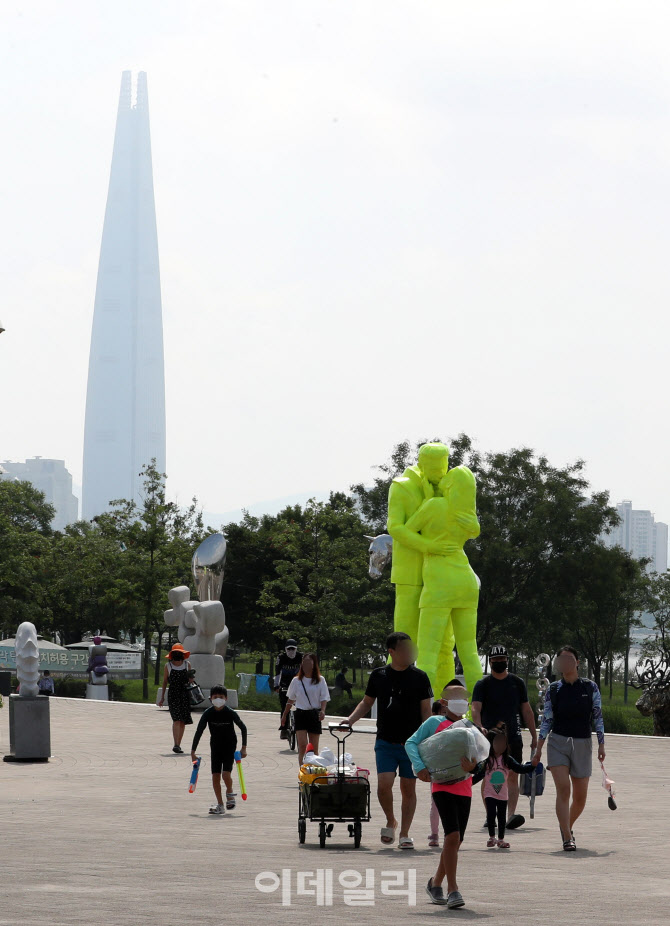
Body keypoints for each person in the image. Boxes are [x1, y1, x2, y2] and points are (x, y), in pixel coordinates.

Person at [342, 631, 432, 850]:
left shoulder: (420, 677)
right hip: (385, 741)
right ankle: (391, 821)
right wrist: (350, 720)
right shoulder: (378, 675)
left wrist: (428, 740)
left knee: (408, 788)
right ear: (392, 652)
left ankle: (404, 833)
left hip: (412, 744)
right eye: (404, 649)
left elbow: (426, 711)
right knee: (384, 785)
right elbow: (366, 702)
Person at [402, 465, 483, 697]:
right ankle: (476, 707)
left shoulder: (435, 506)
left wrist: (430, 545)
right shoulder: (469, 518)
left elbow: (407, 532)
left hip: (439, 584)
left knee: (427, 652)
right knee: (469, 652)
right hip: (466, 582)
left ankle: (422, 707)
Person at [405, 679, 482, 909]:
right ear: (444, 702)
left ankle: (435, 883)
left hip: (464, 788)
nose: (461, 704)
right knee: (452, 836)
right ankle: (453, 889)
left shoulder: (470, 727)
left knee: (455, 841)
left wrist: (473, 768)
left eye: (463, 699)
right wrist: (419, 767)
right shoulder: (433, 722)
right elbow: (411, 743)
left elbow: (480, 759)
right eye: (455, 699)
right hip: (442, 786)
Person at [532, 645, 605, 851]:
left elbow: (598, 717)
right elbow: (546, 720)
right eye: (561, 659)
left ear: (577, 663)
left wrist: (601, 743)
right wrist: (539, 748)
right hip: (558, 743)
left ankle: (567, 826)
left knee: (580, 798)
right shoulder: (553, 689)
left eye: (569, 659)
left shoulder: (590, 687)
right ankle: (566, 836)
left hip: (583, 742)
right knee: (563, 789)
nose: (564, 663)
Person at [471, 644, 537, 829]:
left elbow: (526, 710)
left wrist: (534, 735)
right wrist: (479, 726)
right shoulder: (483, 685)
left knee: (512, 776)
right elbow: (475, 707)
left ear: (507, 660)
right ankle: (490, 814)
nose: (499, 662)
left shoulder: (517, 683)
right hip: (489, 738)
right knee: (489, 774)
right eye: (495, 660)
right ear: (489, 661)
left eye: (503, 659)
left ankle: (510, 815)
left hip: (513, 736)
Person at [473, 724, 534, 848]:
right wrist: (465, 783)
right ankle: (491, 837)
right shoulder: (487, 761)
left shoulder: (507, 760)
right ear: (490, 744)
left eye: (503, 743)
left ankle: (500, 839)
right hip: (489, 794)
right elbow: (478, 775)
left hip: (503, 795)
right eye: (497, 743)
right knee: (491, 816)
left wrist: (533, 765)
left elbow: (520, 769)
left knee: (501, 817)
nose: (501, 746)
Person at [190, 685, 247, 815]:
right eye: (215, 697)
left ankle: (230, 792)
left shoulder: (230, 712)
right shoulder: (208, 713)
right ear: (210, 699)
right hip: (215, 746)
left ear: (226, 698)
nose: (218, 700)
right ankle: (220, 804)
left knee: (226, 774)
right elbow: (199, 731)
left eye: (221, 697)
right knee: (215, 776)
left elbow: (243, 728)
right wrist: (193, 751)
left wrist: (243, 748)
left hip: (229, 745)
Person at [281, 653, 330, 764]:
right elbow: (291, 700)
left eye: (309, 662)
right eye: (304, 662)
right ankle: (302, 771)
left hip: (314, 714)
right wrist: (284, 715)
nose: (306, 664)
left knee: (313, 748)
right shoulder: (296, 681)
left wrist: (322, 711)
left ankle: (313, 771)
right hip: (300, 714)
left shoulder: (320, 680)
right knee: (302, 746)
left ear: (314, 664)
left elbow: (324, 698)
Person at [158, 644, 193, 753]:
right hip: (173, 694)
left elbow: (190, 680)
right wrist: (162, 697)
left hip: (184, 694)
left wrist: (191, 679)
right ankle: (176, 744)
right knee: (176, 719)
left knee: (182, 720)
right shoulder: (168, 666)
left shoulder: (187, 665)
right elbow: (164, 682)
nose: (177, 656)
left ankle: (179, 743)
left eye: (179, 653)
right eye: (176, 653)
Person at [274, 640, 303, 740]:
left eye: (293, 649)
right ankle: (284, 729)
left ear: (296, 649)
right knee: (284, 707)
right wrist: (276, 685)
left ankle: (300, 727)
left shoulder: (301, 657)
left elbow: (305, 671)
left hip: (298, 683)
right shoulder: (281, 658)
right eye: (289, 649)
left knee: (301, 707)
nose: (291, 651)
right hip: (284, 684)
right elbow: (277, 672)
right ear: (285, 649)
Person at [428, 699, 447, 846]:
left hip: (451, 768)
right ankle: (434, 834)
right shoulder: (430, 727)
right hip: (436, 770)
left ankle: (449, 833)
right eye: (443, 712)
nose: (446, 716)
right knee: (435, 803)